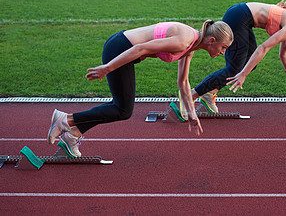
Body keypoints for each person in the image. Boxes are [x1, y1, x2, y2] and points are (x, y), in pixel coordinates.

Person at [47, 20, 233, 157]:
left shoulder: (191, 45)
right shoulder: (184, 41)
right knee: (122, 109)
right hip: (121, 49)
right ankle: (66, 120)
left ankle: (72, 135)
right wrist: (107, 68)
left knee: (120, 108)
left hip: (124, 49)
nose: (223, 52)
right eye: (223, 47)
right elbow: (141, 49)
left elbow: (183, 82)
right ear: (212, 40)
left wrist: (191, 113)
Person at [191, 1, 286, 113]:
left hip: (241, 16)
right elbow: (263, 47)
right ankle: (191, 96)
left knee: (250, 64)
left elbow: (284, 55)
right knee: (236, 70)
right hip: (239, 17)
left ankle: (210, 93)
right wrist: (243, 75)